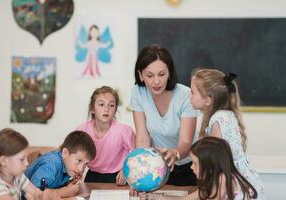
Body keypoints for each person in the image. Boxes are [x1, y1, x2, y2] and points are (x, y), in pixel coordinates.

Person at [190, 68, 265, 199]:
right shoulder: (225, 115)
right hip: (246, 184)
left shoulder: (218, 120)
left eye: (192, 92)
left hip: (237, 189)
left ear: (208, 100)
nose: (189, 96)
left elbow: (213, 166)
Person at [129, 44, 197, 186]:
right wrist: (140, 173)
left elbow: (186, 142)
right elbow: (142, 138)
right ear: (141, 75)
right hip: (157, 166)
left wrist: (175, 153)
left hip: (190, 166)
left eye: (161, 74)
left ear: (169, 73)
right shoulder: (138, 92)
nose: (157, 81)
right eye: (149, 75)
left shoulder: (185, 95)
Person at [140, 137, 258, 200]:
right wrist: (153, 197)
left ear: (209, 165)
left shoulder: (223, 179)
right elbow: (185, 199)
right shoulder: (213, 181)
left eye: (195, 163)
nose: (191, 167)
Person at [76, 85, 135, 185]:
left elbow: (136, 153)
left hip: (118, 176)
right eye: (101, 104)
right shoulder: (83, 130)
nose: (106, 109)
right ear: (92, 109)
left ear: (115, 110)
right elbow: (74, 154)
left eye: (111, 105)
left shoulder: (124, 130)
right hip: (92, 175)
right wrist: (76, 171)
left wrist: (126, 170)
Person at [0, 128, 57, 200]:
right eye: (22, 159)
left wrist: (45, 196)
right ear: (3, 161)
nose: (27, 163)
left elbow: (36, 193)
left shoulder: (18, 177)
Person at [25, 130, 96, 198]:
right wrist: (65, 192)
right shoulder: (51, 165)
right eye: (79, 161)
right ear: (65, 153)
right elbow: (34, 193)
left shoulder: (68, 165)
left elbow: (51, 185)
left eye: (86, 163)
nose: (81, 169)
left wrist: (68, 183)